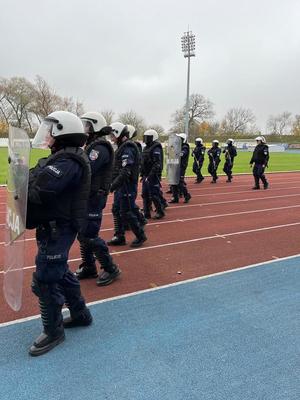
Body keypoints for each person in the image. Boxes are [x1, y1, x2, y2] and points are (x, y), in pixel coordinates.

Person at [26, 111, 92, 357]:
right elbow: (35, 177)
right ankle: (80, 313)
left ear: (63, 132)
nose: (48, 135)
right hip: (54, 226)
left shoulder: (67, 163)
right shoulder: (61, 158)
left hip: (59, 228)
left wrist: (24, 183)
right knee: (61, 271)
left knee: (45, 279)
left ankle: (53, 331)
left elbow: (40, 190)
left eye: (52, 130)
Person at [74, 111, 121, 286]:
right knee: (82, 233)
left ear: (96, 127)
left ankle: (110, 268)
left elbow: (87, 167)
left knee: (90, 235)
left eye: (87, 126)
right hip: (88, 196)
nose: (84, 129)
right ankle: (89, 266)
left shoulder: (99, 148)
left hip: (94, 197)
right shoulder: (92, 145)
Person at [107, 122, 147, 247]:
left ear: (119, 133)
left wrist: (112, 185)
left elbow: (125, 171)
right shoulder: (122, 147)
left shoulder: (127, 148)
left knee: (127, 212)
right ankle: (119, 236)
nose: (111, 138)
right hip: (121, 185)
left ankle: (140, 236)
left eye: (113, 135)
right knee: (116, 209)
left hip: (127, 185)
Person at [140, 129, 165, 219]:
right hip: (146, 175)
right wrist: (142, 174)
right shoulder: (146, 147)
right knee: (145, 194)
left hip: (153, 175)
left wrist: (151, 175)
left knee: (154, 194)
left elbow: (156, 164)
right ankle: (147, 213)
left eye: (147, 137)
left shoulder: (156, 148)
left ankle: (160, 211)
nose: (145, 139)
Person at [169, 133, 192, 203]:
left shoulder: (185, 146)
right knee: (173, 182)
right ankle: (175, 198)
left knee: (179, 183)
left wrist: (175, 153)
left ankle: (187, 195)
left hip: (181, 167)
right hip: (175, 165)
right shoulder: (178, 146)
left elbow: (182, 154)